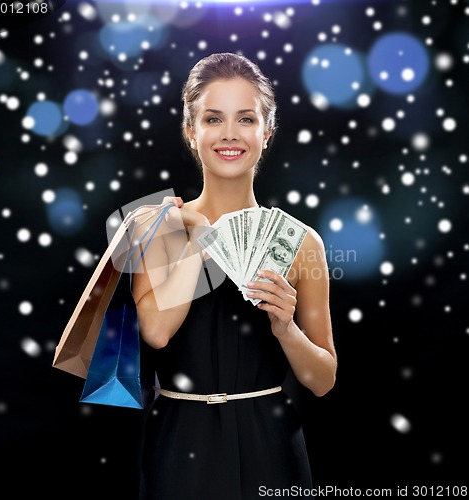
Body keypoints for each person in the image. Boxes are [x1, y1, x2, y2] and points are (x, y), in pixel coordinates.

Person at [131, 52, 337, 500]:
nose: (229, 134)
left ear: (268, 129)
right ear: (191, 131)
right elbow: (157, 332)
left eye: (246, 118)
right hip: (179, 443)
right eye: (213, 118)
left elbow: (322, 379)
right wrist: (199, 237)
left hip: (272, 444)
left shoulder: (302, 242)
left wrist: (286, 329)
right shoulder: (157, 225)